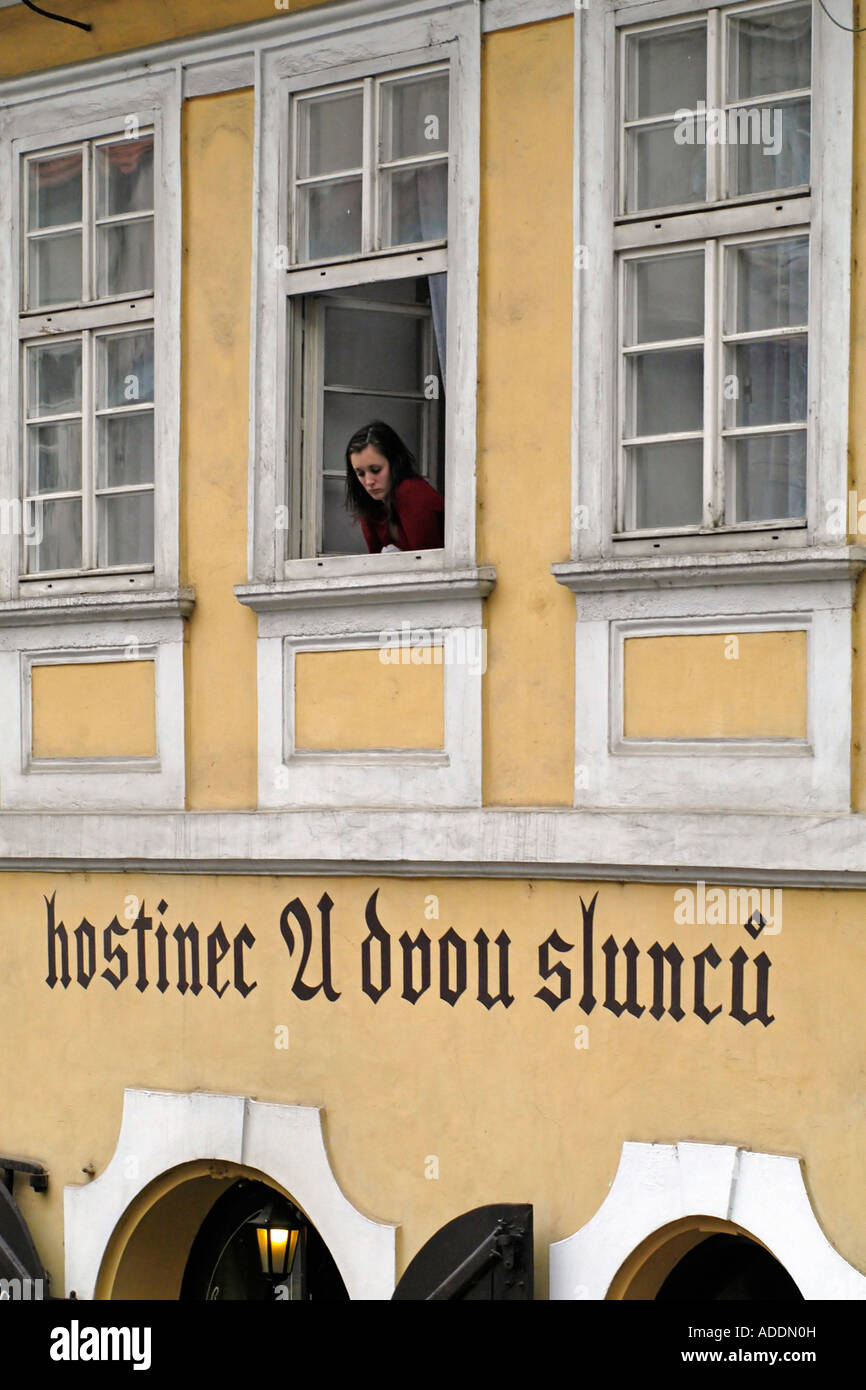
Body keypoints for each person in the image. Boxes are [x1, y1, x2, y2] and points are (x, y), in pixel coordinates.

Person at [345, 421, 444, 553]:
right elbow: (374, 559)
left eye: (376, 470)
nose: (369, 481)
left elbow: (427, 561)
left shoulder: (412, 492)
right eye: (360, 473)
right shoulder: (371, 505)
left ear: (395, 463)